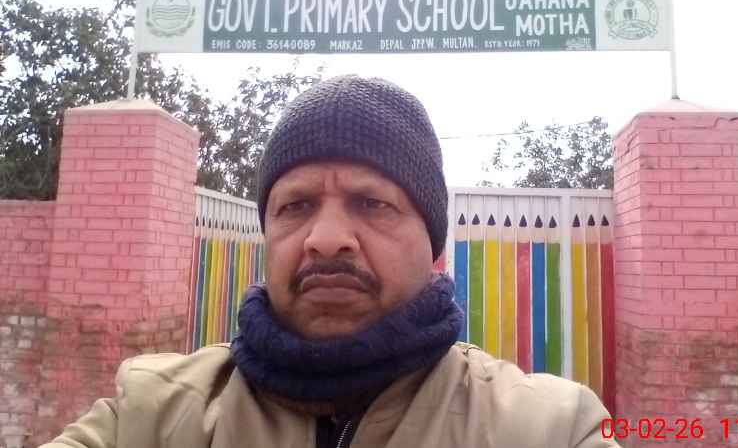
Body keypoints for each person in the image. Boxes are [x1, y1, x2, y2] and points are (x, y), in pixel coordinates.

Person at [41, 75, 618, 448]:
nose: (326, 239)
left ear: (435, 248)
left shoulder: (547, 427)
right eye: (296, 205)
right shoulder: (150, 414)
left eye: (372, 203)